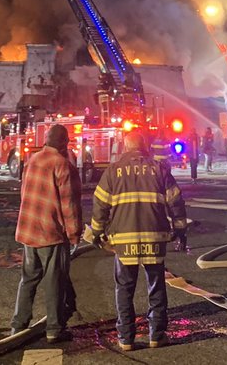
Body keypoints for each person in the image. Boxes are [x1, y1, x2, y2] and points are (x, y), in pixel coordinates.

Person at [88, 130, 188, 351]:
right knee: (156, 285)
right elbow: (176, 201)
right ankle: (157, 335)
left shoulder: (113, 171)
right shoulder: (160, 168)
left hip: (123, 240)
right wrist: (180, 229)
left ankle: (126, 339)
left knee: (124, 287)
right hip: (155, 237)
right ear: (145, 146)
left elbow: (100, 205)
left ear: (125, 147)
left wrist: (97, 232)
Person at [11, 123, 82, 345]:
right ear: (64, 142)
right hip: (51, 233)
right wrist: (74, 233)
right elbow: (69, 204)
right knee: (55, 281)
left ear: (46, 139)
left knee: (29, 278)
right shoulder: (63, 165)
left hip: (28, 229)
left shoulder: (32, 160)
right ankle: (54, 329)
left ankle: (18, 325)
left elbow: (24, 193)